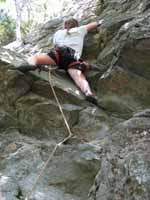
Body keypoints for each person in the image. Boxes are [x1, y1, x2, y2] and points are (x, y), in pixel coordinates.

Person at [17, 18, 104, 105]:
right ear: (76, 25)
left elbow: (55, 46)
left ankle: (32, 64)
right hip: (73, 57)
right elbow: (93, 24)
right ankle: (88, 93)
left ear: (65, 25)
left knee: (35, 58)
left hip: (58, 54)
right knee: (78, 77)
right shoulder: (80, 29)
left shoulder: (58, 33)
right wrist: (99, 22)